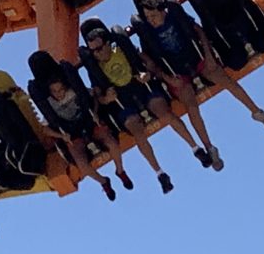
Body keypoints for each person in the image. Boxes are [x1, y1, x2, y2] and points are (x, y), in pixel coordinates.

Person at [130, 0, 264, 171]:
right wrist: (168, 78)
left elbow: (198, 31)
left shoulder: (175, 15)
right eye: (148, 18)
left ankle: (256, 111)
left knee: (225, 80)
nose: (152, 21)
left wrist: (208, 56)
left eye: (154, 16)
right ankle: (209, 146)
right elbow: (152, 62)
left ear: (161, 10)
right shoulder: (147, 32)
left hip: (197, 58)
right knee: (191, 106)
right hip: (177, 72)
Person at [80, 21, 193, 194]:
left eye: (100, 48)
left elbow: (146, 62)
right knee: (138, 132)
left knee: (166, 114)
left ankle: (195, 148)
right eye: (94, 51)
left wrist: (147, 73)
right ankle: (160, 173)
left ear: (107, 43)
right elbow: (99, 97)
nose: (98, 53)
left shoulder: (122, 49)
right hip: (122, 101)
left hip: (141, 88)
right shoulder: (94, 67)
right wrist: (106, 98)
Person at [28, 51, 129, 201]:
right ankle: (104, 182)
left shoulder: (71, 86)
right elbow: (45, 128)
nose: (59, 94)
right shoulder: (47, 101)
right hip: (70, 131)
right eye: (55, 92)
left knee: (112, 143)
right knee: (82, 165)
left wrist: (94, 112)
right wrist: (62, 135)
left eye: (61, 90)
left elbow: (91, 96)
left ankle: (120, 171)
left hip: (88, 121)